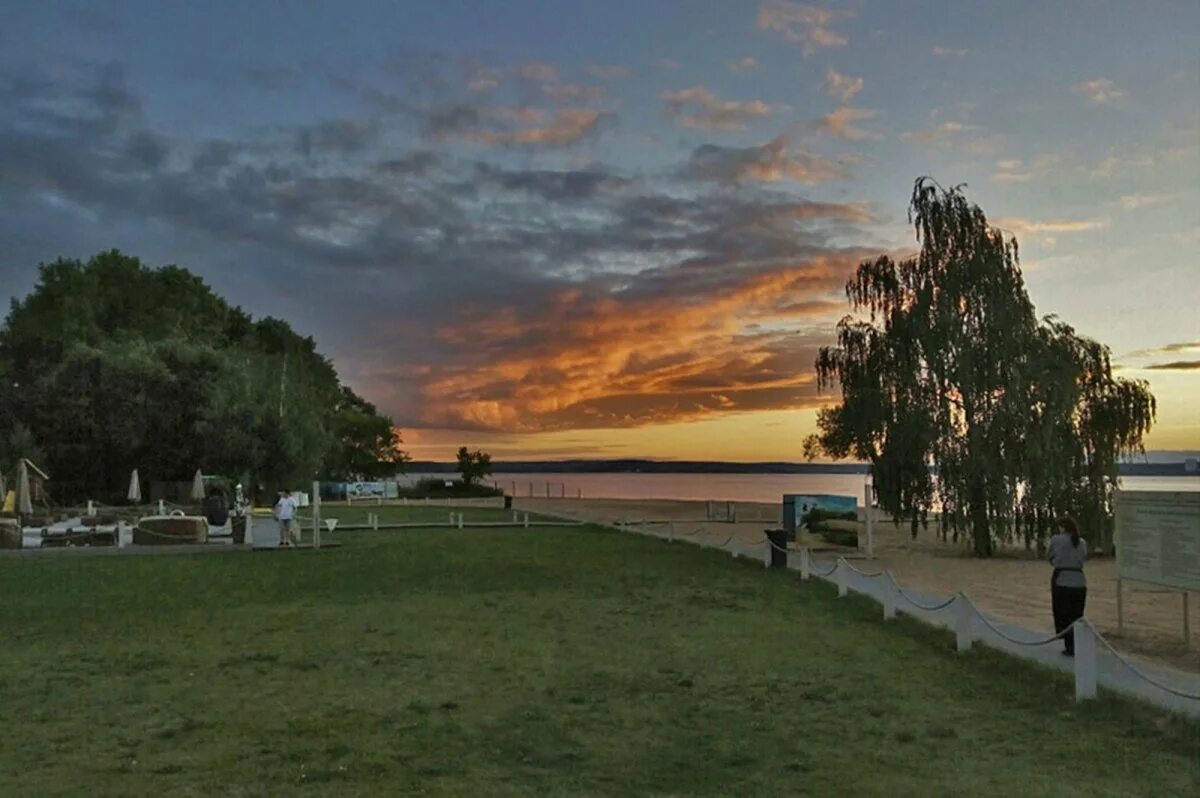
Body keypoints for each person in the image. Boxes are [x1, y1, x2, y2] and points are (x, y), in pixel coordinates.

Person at [1048, 516, 1088, 656]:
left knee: (1063, 613)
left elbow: (1051, 557)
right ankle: (1077, 644)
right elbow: (1083, 558)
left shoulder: (1056, 540)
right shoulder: (1081, 542)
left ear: (1062, 527)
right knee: (1077, 615)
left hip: (1062, 580)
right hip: (1079, 581)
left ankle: (1069, 645)